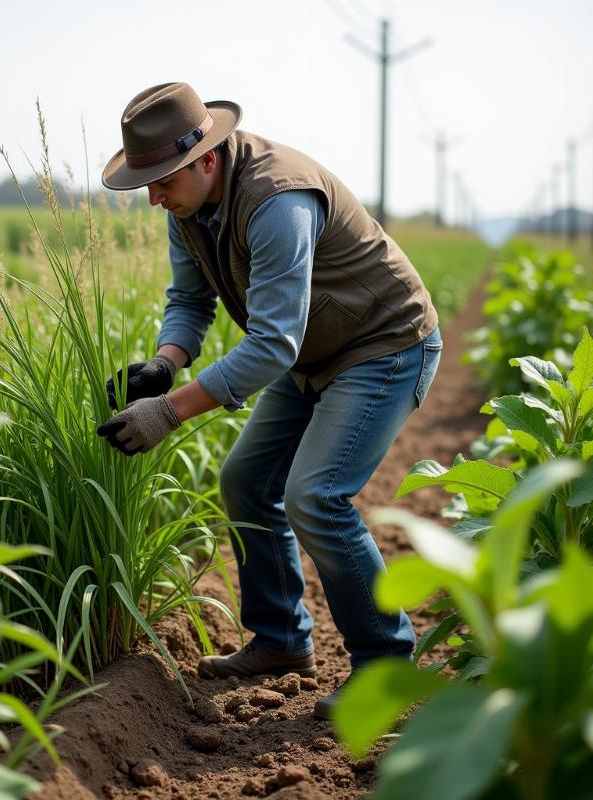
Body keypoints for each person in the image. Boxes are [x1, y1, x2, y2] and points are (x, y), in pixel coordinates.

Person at [97, 82, 441, 720]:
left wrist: (169, 412)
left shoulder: (278, 200)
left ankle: (386, 669)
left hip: (382, 345)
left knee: (316, 495)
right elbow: (190, 300)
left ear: (206, 158)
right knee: (247, 482)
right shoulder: (188, 206)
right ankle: (282, 639)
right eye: (146, 181)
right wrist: (163, 365)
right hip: (312, 350)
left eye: (163, 179)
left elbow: (272, 344)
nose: (153, 196)